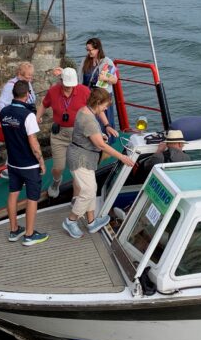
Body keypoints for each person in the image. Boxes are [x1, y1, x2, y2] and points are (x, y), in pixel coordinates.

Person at [63, 89, 135, 239]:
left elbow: (88, 134)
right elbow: (101, 146)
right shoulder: (89, 119)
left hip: (84, 156)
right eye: (105, 105)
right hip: (80, 158)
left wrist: (100, 134)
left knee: (92, 188)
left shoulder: (85, 111)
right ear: (97, 103)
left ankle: (91, 222)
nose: (106, 109)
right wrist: (122, 157)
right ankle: (71, 221)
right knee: (88, 191)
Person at [38, 67, 115, 199]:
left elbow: (97, 108)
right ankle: (56, 181)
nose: (69, 88)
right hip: (59, 134)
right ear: (61, 81)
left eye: (71, 85)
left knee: (78, 170)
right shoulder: (53, 91)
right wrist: (37, 117)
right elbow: (44, 104)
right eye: (66, 85)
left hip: (79, 134)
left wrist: (107, 125)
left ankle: (76, 198)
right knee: (58, 167)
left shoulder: (84, 91)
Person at [0, 80, 48, 246]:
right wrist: (41, 161)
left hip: (13, 162)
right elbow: (33, 142)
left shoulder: (4, 112)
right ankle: (29, 234)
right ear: (27, 94)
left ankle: (14, 230)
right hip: (29, 164)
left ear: (13, 93)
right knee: (32, 198)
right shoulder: (28, 116)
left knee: (13, 193)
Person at [0, 62, 36, 180]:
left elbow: (31, 99)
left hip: (25, 118)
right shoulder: (11, 86)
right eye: (27, 76)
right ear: (19, 74)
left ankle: (10, 170)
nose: (30, 79)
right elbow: (1, 103)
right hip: (17, 121)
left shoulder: (26, 83)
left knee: (21, 146)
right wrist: (11, 119)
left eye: (31, 76)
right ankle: (11, 171)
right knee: (21, 145)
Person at [80, 37, 119, 129]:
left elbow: (115, 80)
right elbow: (80, 77)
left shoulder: (107, 62)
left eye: (90, 50)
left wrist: (105, 78)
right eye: (87, 50)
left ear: (97, 49)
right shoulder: (85, 61)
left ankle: (106, 139)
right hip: (88, 95)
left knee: (103, 121)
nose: (88, 52)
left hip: (102, 96)